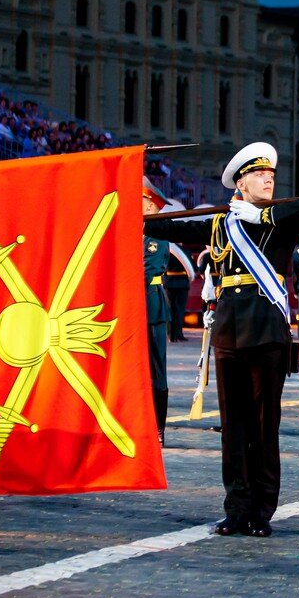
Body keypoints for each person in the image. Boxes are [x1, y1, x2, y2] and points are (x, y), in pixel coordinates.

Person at [143, 142, 299, 538]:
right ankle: (236, 508)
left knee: (263, 425)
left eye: (271, 174)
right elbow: (176, 226)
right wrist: (138, 217)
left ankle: (261, 510)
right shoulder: (222, 222)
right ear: (240, 182)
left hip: (266, 332)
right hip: (228, 332)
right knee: (234, 426)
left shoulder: (279, 218)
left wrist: (261, 213)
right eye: (258, 174)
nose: (268, 178)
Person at [142, 180, 172, 445]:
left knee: (156, 368)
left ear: (150, 205)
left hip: (151, 306)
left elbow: (148, 269)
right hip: (134, 306)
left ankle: (158, 427)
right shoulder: (132, 231)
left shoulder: (158, 236)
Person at [163, 247, 193, 343]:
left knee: (170, 310)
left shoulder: (166, 249)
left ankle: (171, 335)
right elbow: (193, 268)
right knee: (179, 310)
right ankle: (179, 334)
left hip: (169, 282)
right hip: (182, 282)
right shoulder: (185, 251)